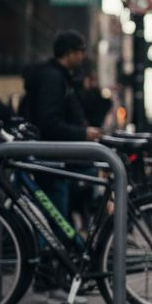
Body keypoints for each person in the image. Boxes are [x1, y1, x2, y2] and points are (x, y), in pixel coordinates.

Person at [21, 30, 100, 221]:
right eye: (81, 51)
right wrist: (83, 133)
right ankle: (48, 248)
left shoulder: (62, 77)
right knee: (54, 217)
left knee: (59, 214)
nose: (83, 56)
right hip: (52, 157)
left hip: (58, 156)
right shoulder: (53, 78)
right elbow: (48, 121)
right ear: (69, 53)